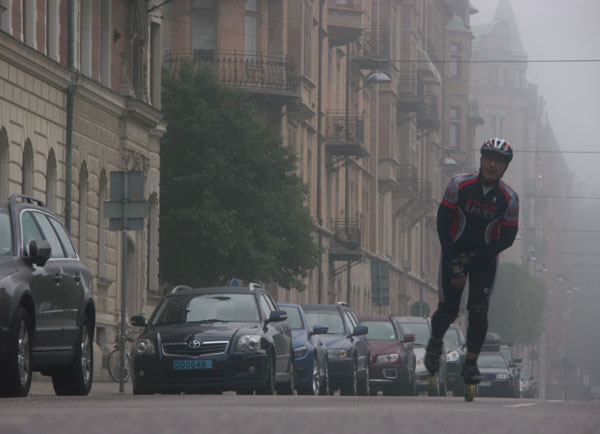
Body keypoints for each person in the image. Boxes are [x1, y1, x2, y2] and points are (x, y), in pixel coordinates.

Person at [424, 138, 519, 386]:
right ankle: (434, 346)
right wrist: (454, 259)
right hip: (454, 250)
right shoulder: (459, 184)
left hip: (484, 258)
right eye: (488, 158)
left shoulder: (509, 198)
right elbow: (443, 222)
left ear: (505, 167)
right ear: (480, 160)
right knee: (449, 310)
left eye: (498, 161)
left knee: (478, 310)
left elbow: (507, 238)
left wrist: (474, 258)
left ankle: (471, 363)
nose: (492, 164)